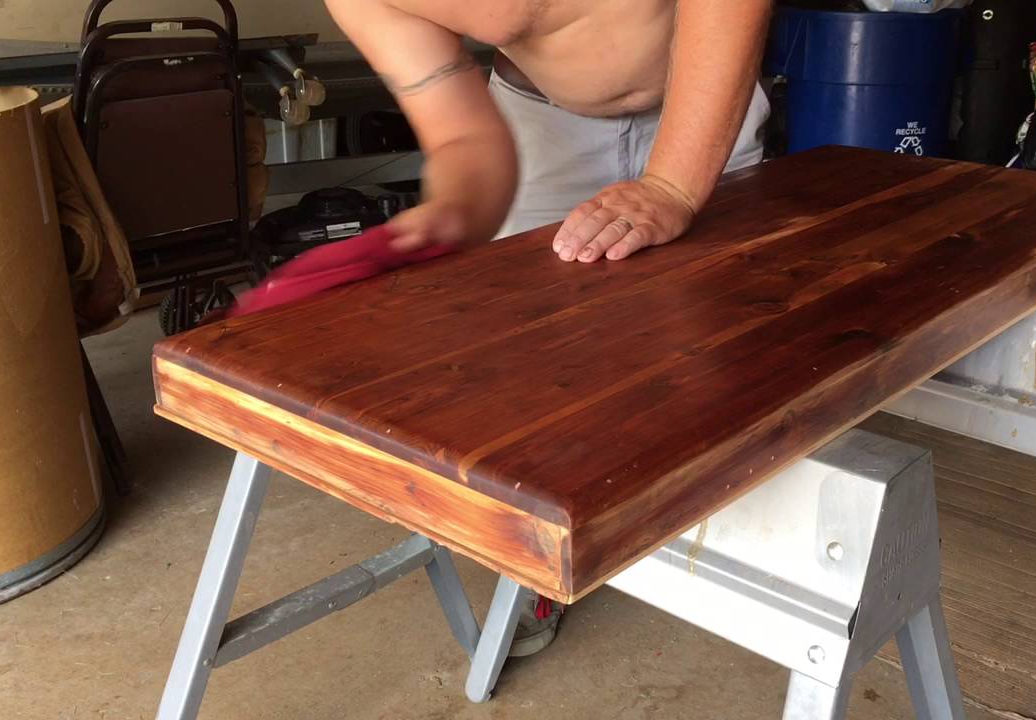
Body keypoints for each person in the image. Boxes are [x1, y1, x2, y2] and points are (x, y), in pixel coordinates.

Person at [324, 0, 773, 653]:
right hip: (539, 124)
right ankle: (536, 564)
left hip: (705, 102)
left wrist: (673, 185)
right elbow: (459, 133)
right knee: (526, 375)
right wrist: (455, 213)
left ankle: (744, 556)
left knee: (720, 347)